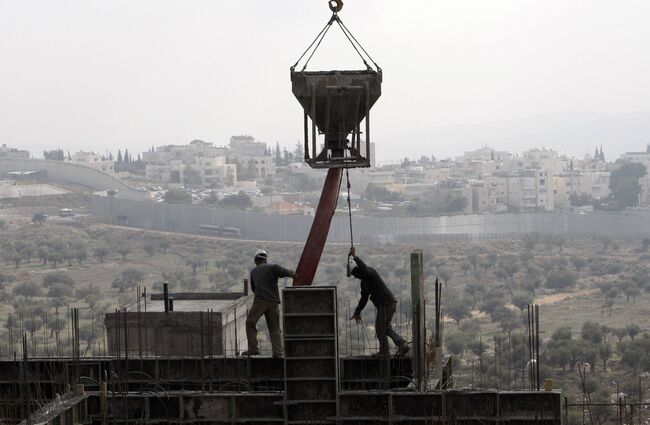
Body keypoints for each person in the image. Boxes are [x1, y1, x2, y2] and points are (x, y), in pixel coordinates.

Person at [348, 247, 409, 357]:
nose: (355, 277)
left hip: (386, 304)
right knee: (386, 328)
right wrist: (357, 312)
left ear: (358, 270)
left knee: (380, 328)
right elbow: (363, 299)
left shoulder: (371, 272)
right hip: (388, 303)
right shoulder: (364, 283)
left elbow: (364, 269)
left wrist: (355, 257)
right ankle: (402, 344)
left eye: (355, 274)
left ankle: (384, 352)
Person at [243, 249, 296, 357]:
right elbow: (287, 272)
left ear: (256, 260)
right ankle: (278, 353)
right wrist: (296, 275)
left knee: (250, 322)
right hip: (274, 303)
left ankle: (253, 349)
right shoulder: (273, 267)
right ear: (265, 259)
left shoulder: (254, 271)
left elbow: (254, 289)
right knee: (274, 328)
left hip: (260, 301)